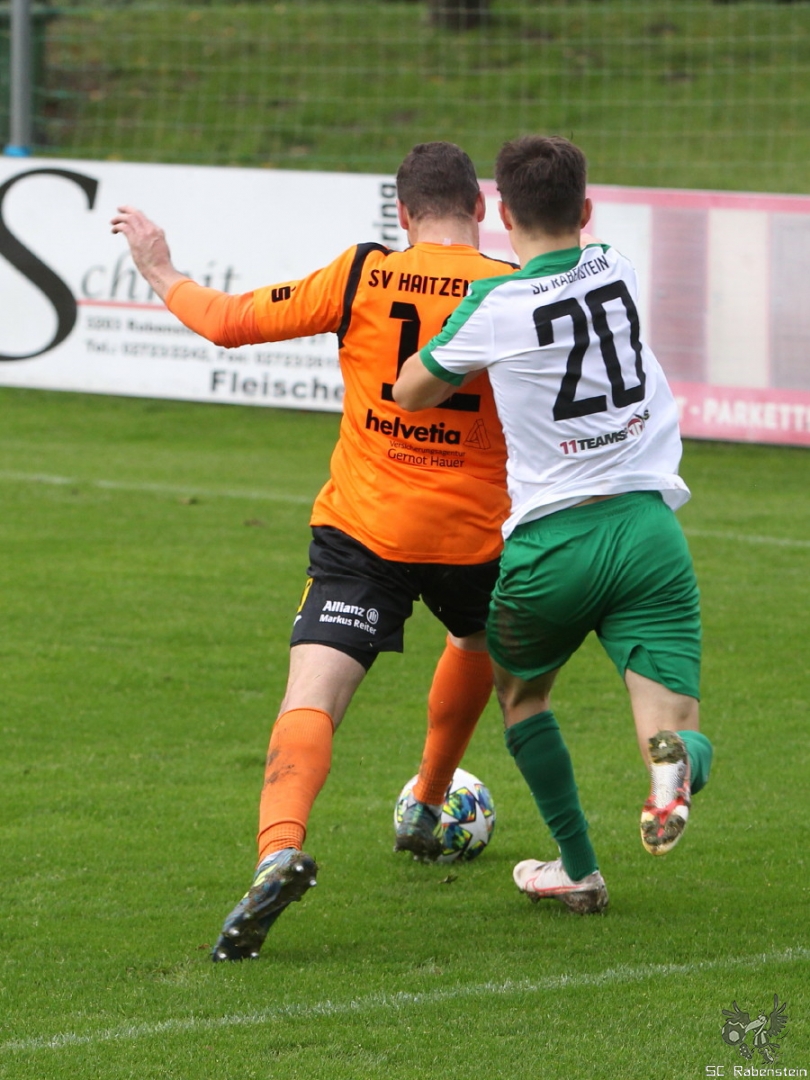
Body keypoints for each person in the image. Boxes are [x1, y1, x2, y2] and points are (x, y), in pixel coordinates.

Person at [111, 142, 517, 960]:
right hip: (475, 534)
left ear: (402, 213)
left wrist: (158, 267)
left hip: (365, 530)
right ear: (480, 207)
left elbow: (227, 323)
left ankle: (278, 850)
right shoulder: (513, 288)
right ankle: (428, 802)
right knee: (475, 640)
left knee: (315, 694)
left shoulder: (364, 273)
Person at [393, 134, 713, 916]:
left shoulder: (495, 306)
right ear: (587, 209)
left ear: (501, 215)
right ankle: (672, 773)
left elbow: (411, 391)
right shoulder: (616, 266)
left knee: (523, 699)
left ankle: (578, 868)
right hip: (647, 532)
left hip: (551, 543)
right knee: (673, 721)